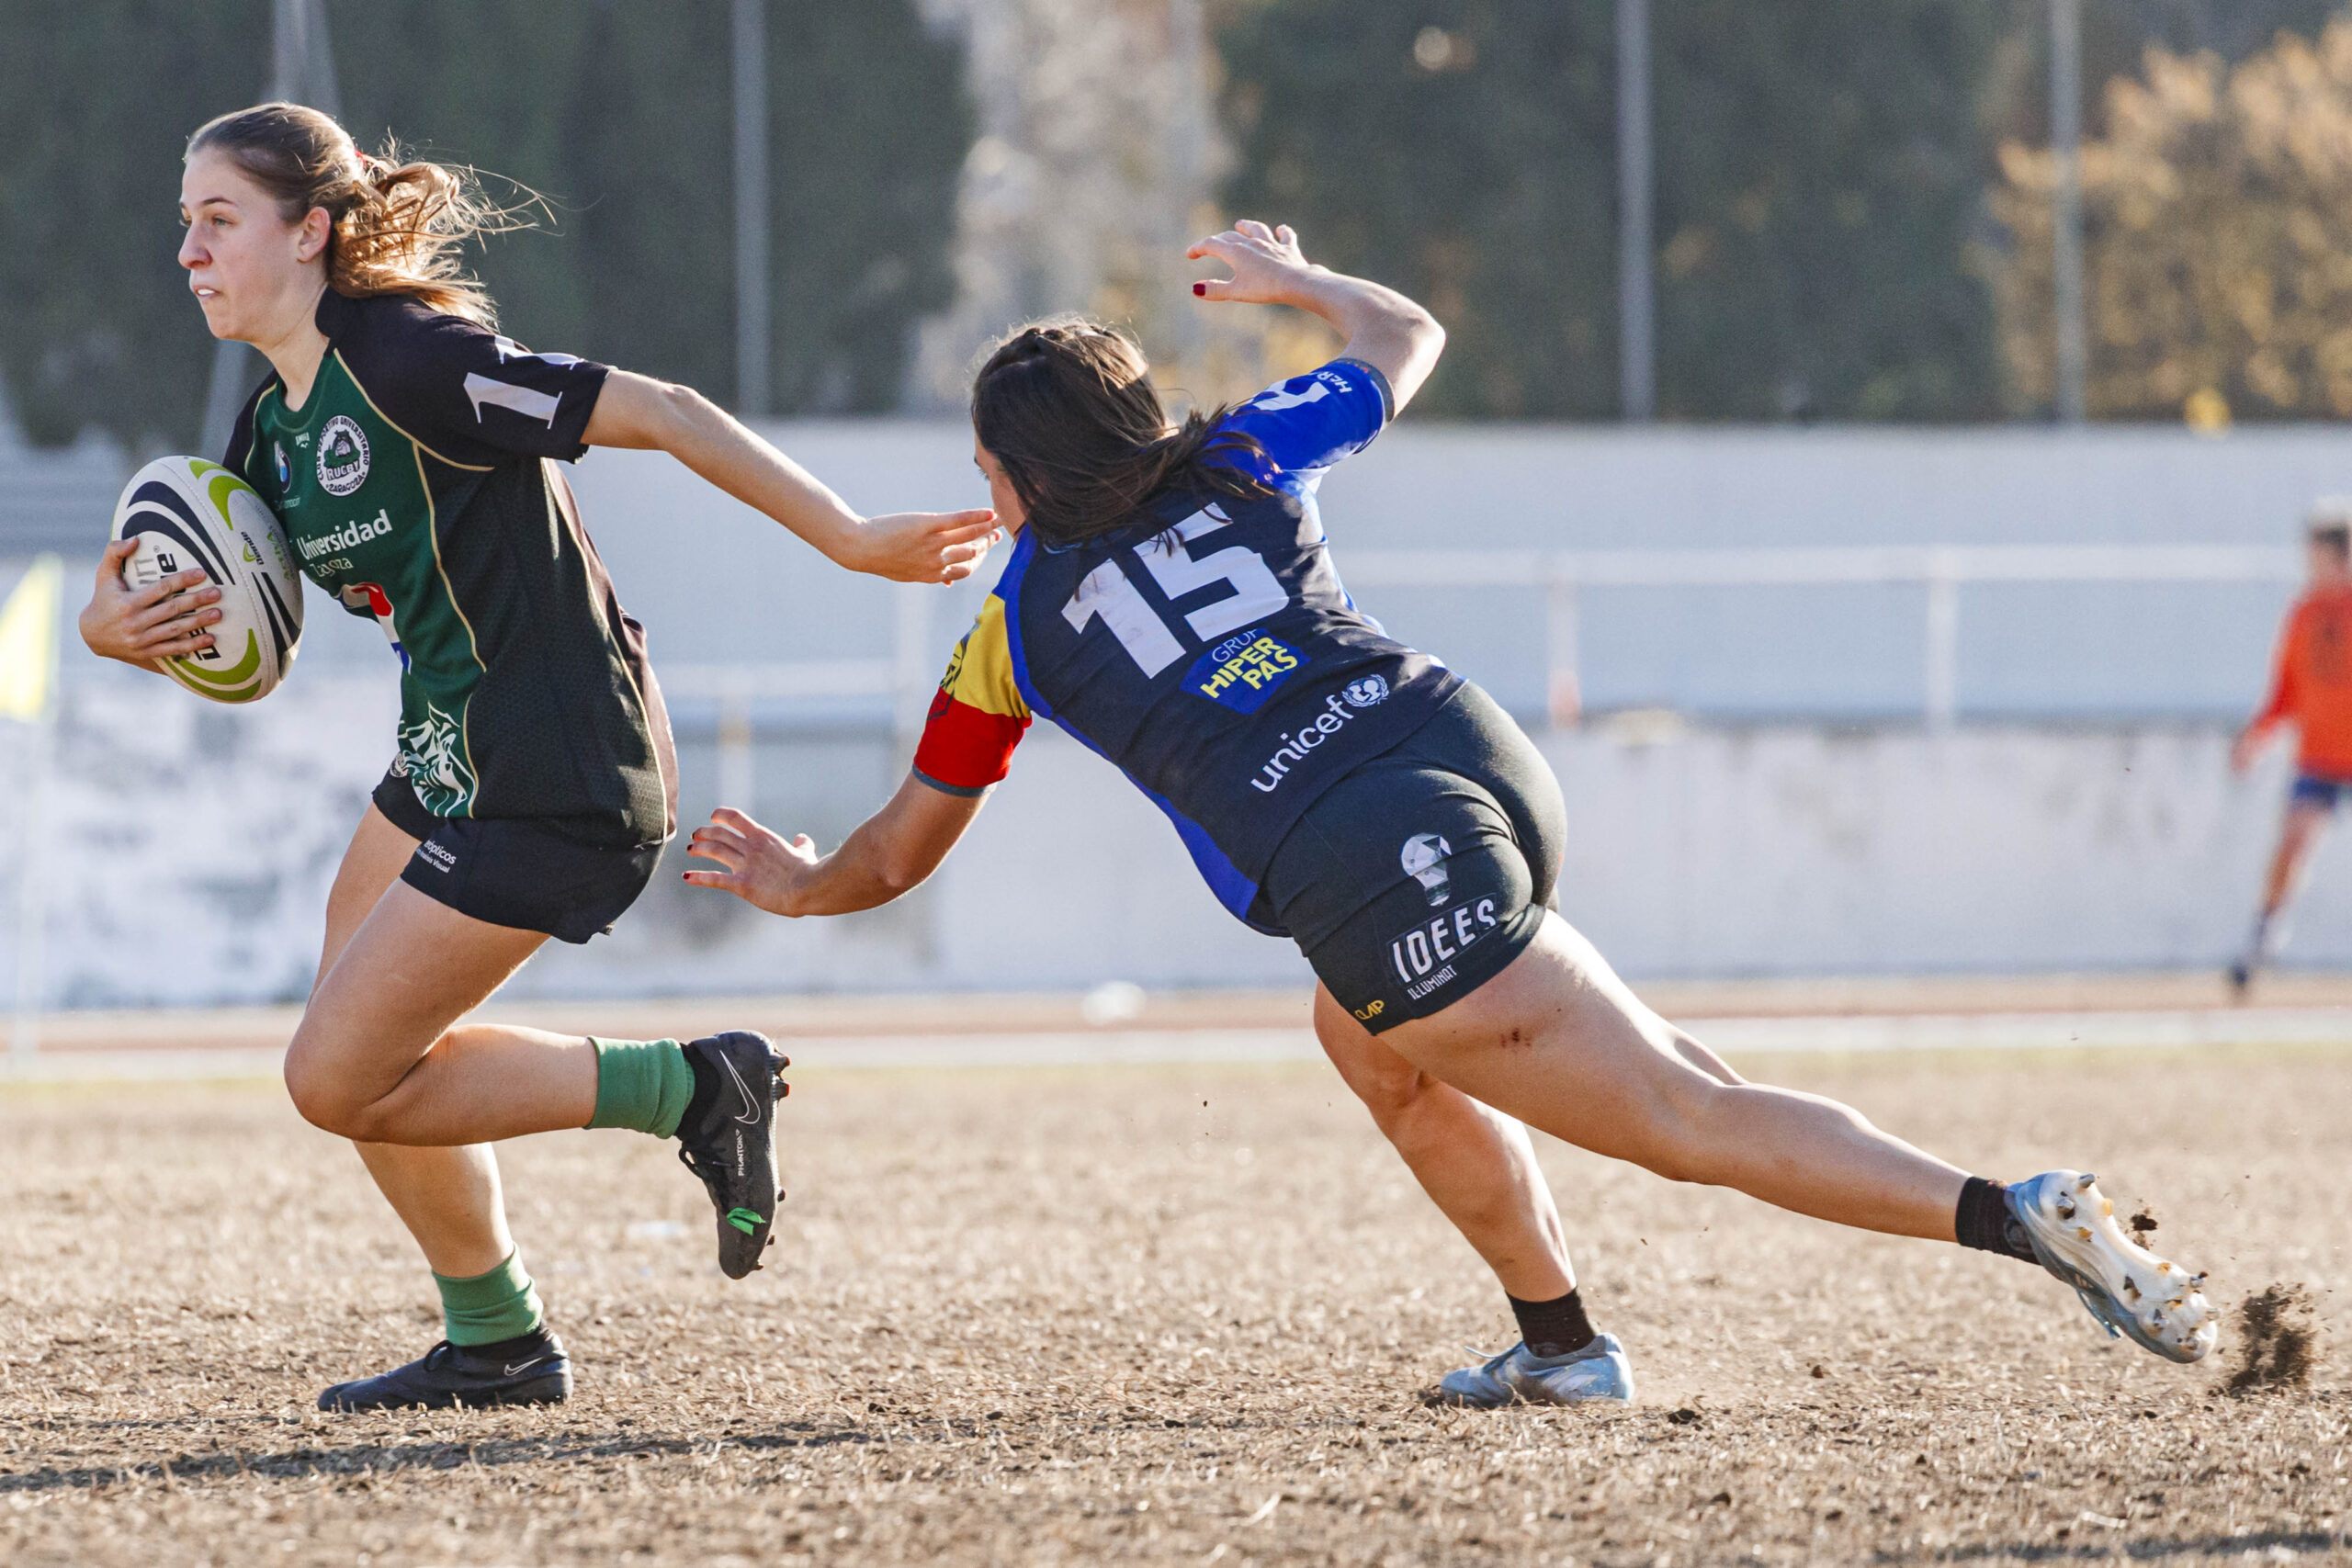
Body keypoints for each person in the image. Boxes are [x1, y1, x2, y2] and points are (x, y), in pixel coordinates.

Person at [682, 220, 2221, 1405]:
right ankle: (1560, 1345)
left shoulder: (1010, 626)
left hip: (1367, 858)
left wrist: (793, 880)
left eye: (987, 473)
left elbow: (892, 853)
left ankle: (2016, 1214)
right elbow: (1405, 332)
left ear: (1009, 472)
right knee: (1377, 1045)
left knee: (1688, 1120)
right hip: (1460, 751)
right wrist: (1295, 274)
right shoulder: (1243, 450)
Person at [75, 103, 998, 1412]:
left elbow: (667, 411)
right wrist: (111, 633)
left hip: (560, 752)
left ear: (313, 232)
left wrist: (850, 538)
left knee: (336, 1075)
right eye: (185, 222)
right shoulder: (268, 434)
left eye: (217, 218)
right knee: (358, 1030)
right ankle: (498, 1336)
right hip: (456, 743)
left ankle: (693, 1084)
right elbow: (237, 644)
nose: (188, 250)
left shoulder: (409, 359)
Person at [2229, 505, 2352, 994]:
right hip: (2319, 756)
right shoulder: (2302, 614)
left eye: (2319, 559)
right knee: (2292, 844)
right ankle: (2263, 937)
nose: (2310, 568)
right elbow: (2285, 689)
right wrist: (2256, 736)